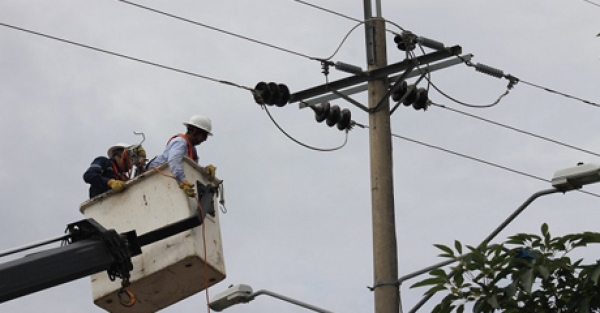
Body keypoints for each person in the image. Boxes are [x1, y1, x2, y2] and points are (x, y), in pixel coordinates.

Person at [147, 114, 216, 198]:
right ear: (195, 131)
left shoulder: (192, 149)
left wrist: (204, 170)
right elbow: (174, 161)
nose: (205, 139)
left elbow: (192, 169)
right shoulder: (180, 142)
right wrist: (182, 181)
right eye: (204, 135)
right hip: (154, 178)